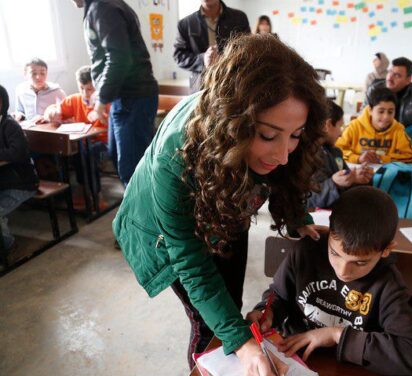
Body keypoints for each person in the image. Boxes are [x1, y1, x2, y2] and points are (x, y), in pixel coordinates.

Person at [112, 34, 327, 375]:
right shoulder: (175, 156)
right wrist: (241, 343)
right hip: (166, 231)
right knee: (211, 324)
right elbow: (191, 263)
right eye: (269, 136)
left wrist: (296, 215)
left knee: (229, 303)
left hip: (224, 202)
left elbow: (286, 172)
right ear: (233, 124)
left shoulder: (272, 140)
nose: (283, 154)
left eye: (296, 134)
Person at [247, 186, 412, 375]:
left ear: (386, 250)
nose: (343, 270)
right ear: (329, 231)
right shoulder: (306, 251)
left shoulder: (388, 283)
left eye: (359, 262)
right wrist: (266, 312)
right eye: (335, 253)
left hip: (348, 367)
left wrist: (336, 335)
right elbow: (278, 295)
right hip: (293, 357)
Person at [71, 0, 159, 187]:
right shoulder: (101, 6)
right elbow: (106, 58)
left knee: (133, 169)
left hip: (133, 96)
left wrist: (102, 99)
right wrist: (101, 92)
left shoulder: (103, 7)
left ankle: (144, 214)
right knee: (117, 155)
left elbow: (119, 57)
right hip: (126, 97)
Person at [43, 66, 109, 200]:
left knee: (87, 155)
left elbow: (113, 123)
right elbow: (56, 109)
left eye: (90, 89)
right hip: (82, 143)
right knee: (69, 154)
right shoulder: (74, 99)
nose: (85, 93)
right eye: (81, 88)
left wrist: (100, 113)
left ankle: (96, 195)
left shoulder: (106, 101)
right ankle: (77, 192)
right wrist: (51, 112)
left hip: (105, 143)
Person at [307, 100, 373, 209]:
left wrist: (356, 178)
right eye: (340, 126)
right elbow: (309, 199)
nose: (341, 133)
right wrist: (334, 183)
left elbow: (346, 179)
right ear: (328, 125)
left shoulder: (334, 152)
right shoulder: (307, 155)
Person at [174, 0, 250, 92]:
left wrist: (226, 59)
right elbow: (179, 56)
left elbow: (249, 49)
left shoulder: (239, 18)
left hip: (233, 84)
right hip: (200, 87)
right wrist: (202, 59)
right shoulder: (185, 23)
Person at [0, 84, 39, 251]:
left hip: (21, 182)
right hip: (4, 182)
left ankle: (8, 246)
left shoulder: (9, 125)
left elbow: (18, 153)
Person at [335, 86, 412, 164]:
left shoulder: (398, 129)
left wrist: (381, 158)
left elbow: (411, 156)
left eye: (390, 112)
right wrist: (358, 158)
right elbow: (336, 149)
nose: (386, 117)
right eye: (381, 111)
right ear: (370, 110)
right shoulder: (354, 127)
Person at [367, 57, 412, 127]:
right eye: (390, 72)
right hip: (376, 136)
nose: (389, 78)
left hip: (407, 136)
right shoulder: (374, 89)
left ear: (408, 80)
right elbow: (364, 120)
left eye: (397, 75)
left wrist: (400, 134)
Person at [13, 58, 66, 122]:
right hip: (29, 129)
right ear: (25, 74)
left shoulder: (57, 91)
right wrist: (18, 115)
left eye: (42, 73)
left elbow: (66, 113)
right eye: (34, 73)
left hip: (50, 128)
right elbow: (19, 111)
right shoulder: (21, 90)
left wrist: (48, 117)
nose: (38, 77)